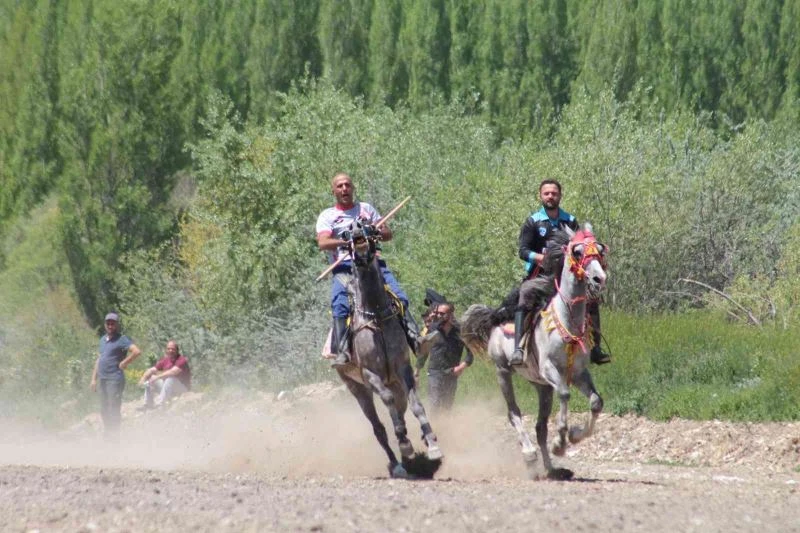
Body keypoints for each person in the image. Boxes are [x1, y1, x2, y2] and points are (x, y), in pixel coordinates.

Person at [315, 172, 419, 368]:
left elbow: (388, 233)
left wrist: (375, 231)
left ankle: (414, 339)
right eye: (340, 186)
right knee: (340, 306)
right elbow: (323, 242)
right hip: (345, 268)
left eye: (347, 185)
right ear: (334, 191)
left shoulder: (366, 209)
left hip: (374, 264)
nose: (344, 188)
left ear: (353, 188)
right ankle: (343, 351)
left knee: (399, 297)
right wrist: (347, 240)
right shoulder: (328, 216)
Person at [509, 179, 611, 366]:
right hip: (541, 275)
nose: (550, 196)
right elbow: (523, 251)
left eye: (554, 193)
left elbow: (579, 244)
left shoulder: (570, 220)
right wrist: (541, 258)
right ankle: (518, 348)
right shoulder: (533, 221)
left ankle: (596, 348)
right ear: (540, 196)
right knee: (525, 294)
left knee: (593, 299)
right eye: (546, 193)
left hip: (567, 275)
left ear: (560, 196)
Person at [414, 302, 473, 413]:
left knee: (447, 406)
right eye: (437, 313)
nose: (439, 316)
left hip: (452, 372)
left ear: (450, 315)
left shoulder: (460, 332)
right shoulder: (432, 329)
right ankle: (435, 428)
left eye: (442, 314)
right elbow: (424, 351)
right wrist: (417, 371)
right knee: (435, 404)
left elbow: (471, 353)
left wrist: (461, 367)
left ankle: (446, 428)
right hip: (434, 372)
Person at [89, 312, 142, 435]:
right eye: (108, 323)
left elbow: (136, 351)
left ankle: (115, 436)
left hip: (114, 379)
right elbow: (99, 359)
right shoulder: (103, 340)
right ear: (105, 324)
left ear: (117, 325)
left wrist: (125, 362)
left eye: (113, 323)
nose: (110, 325)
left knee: (113, 408)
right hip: (103, 378)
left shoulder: (122, 339)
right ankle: (108, 433)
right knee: (103, 409)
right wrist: (93, 379)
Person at [138, 340, 192, 409]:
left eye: (173, 349)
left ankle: (160, 404)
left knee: (170, 379)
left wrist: (157, 377)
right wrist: (143, 378)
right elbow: (151, 370)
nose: (170, 351)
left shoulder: (181, 360)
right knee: (151, 378)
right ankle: (148, 404)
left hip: (182, 388)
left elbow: (173, 372)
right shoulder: (165, 360)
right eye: (168, 349)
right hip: (169, 388)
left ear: (177, 350)